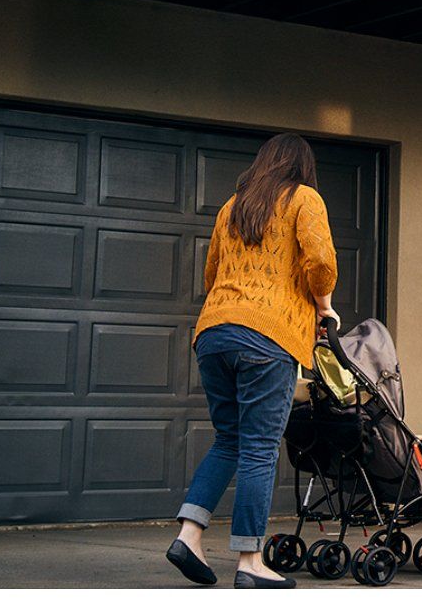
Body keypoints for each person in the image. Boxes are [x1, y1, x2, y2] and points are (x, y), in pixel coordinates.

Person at [166, 133, 339, 590]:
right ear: (302, 166)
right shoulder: (305, 198)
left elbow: (212, 272)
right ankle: (250, 560)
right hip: (268, 336)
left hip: (214, 331)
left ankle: (189, 534)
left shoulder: (232, 206)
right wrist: (323, 305)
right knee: (260, 448)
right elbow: (319, 259)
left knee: (230, 440)